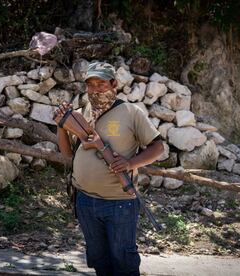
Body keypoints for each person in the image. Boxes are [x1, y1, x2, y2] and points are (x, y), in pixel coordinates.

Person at [54, 62, 164, 276]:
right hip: (85, 200)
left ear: (114, 83)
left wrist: (131, 164)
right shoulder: (80, 113)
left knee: (123, 262)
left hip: (119, 203)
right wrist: (61, 124)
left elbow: (158, 148)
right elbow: (67, 154)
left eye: (101, 83)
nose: (95, 89)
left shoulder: (131, 112)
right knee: (99, 260)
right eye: (91, 85)